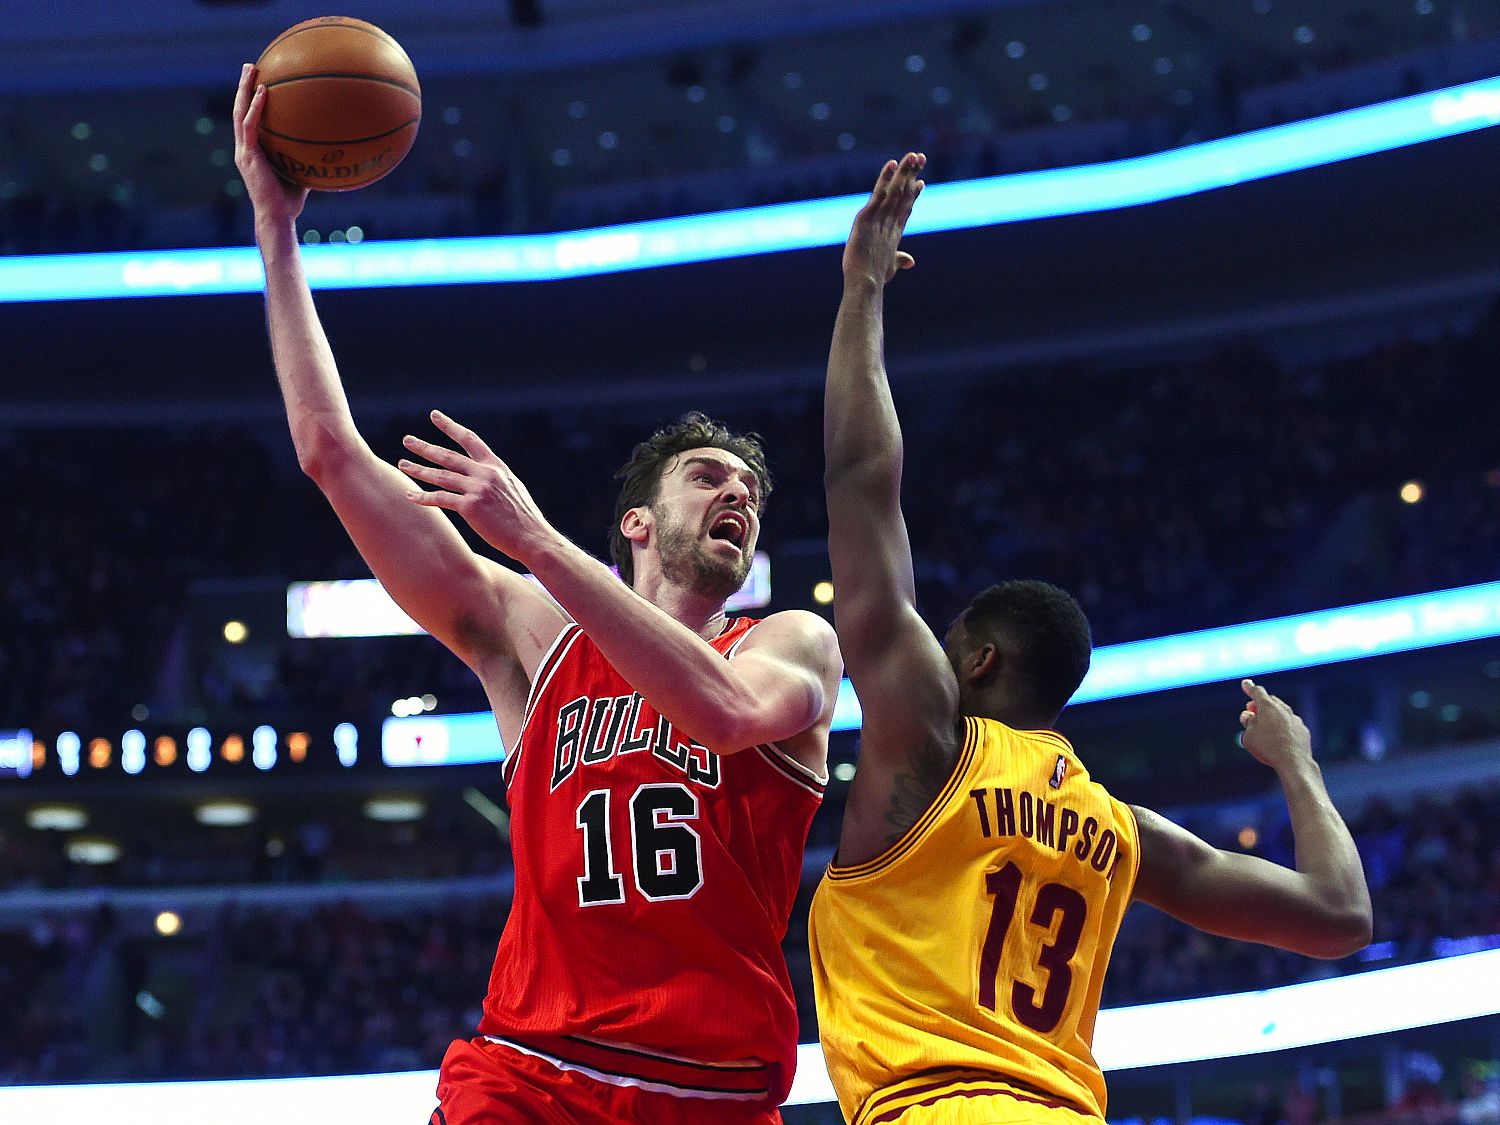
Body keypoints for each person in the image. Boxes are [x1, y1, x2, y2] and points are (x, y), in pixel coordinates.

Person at [233, 66, 842, 1123]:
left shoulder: (788, 640)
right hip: (528, 1069)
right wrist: (277, 231)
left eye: (749, 490)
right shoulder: (532, 631)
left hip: (708, 1084)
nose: (736, 493)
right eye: (707, 477)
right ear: (638, 522)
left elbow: (724, 712)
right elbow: (330, 452)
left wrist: (533, 537)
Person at [808, 152, 1373, 1125]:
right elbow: (1338, 919)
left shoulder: (930, 746)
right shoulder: (1121, 831)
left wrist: (860, 291)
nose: (926, 655)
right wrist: (1298, 764)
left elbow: (861, 476)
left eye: (946, 643)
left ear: (979, 660)